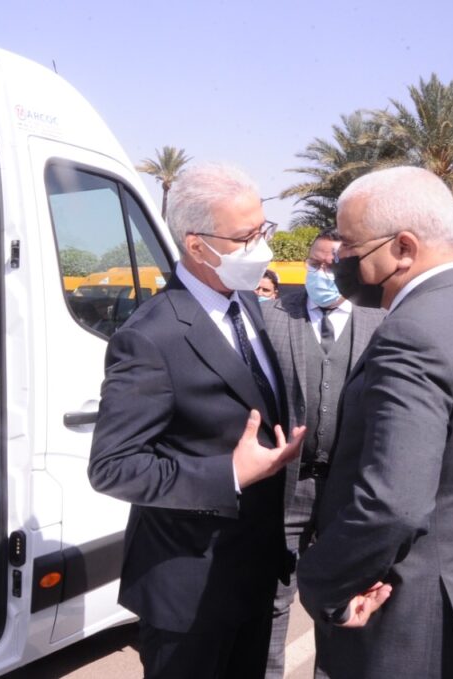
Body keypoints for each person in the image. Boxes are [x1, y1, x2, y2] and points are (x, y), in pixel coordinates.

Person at [296, 166, 453, 679]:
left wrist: (322, 582)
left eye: (351, 248)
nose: (339, 261)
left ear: (403, 248)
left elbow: (393, 504)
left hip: (414, 628)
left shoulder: (411, 335)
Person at [88, 163, 305, 679]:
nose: (262, 248)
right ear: (197, 245)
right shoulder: (150, 337)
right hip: (189, 592)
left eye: (263, 230)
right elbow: (112, 467)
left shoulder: (246, 304)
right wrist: (228, 474)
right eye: (246, 238)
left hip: (252, 575)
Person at [261, 229, 385, 678]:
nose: (322, 273)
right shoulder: (272, 315)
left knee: (343, 596)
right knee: (273, 599)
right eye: (315, 264)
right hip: (287, 485)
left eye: (332, 266)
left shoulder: (381, 319)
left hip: (349, 489)